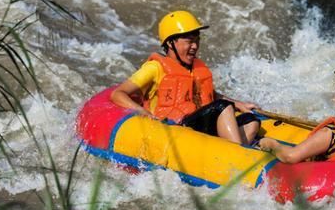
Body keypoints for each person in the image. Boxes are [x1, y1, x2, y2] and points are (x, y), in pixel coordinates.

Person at [110, 10, 260, 145]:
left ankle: (237, 152)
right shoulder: (155, 68)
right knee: (222, 107)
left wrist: (239, 104)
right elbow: (118, 94)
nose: (195, 46)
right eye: (189, 41)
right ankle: (236, 153)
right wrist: (141, 111)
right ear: (170, 43)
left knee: (251, 121)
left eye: (197, 40)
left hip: (199, 126)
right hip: (175, 129)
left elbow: (209, 95)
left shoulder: (195, 68)